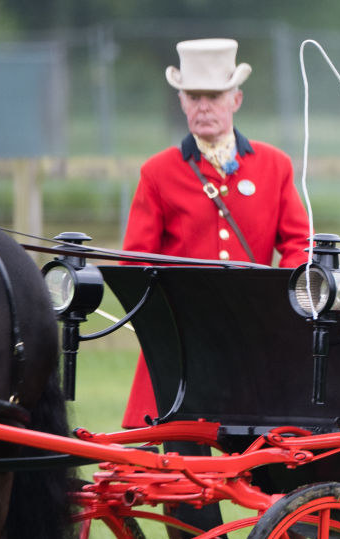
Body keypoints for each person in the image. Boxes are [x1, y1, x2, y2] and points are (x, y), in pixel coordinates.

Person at [119, 38, 310, 538]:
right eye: (194, 97)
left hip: (257, 348)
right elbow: (135, 262)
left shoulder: (274, 166)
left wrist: (279, 303)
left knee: (277, 468)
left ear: (236, 100)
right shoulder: (158, 173)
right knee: (185, 480)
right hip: (181, 352)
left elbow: (299, 247)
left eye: (214, 96)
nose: (204, 107)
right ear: (182, 101)